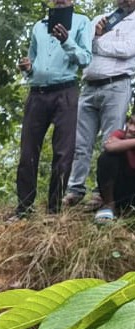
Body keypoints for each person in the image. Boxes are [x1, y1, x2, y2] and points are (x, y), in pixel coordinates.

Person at [11, 0, 92, 219]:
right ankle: (24, 208)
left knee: (63, 152)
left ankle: (54, 209)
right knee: (28, 151)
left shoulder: (82, 22)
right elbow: (34, 61)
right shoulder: (39, 26)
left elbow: (85, 58)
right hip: (37, 93)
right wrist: (28, 68)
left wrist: (67, 40)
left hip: (66, 92)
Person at [63, 0, 135, 209]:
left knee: (110, 143)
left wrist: (96, 43)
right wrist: (94, 36)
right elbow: (83, 51)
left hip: (117, 84)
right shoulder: (99, 20)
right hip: (89, 86)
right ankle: (74, 190)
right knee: (80, 143)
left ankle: (101, 194)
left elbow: (127, 50)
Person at [93, 111, 135, 220]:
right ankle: (109, 205)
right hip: (118, 190)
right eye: (131, 123)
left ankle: (129, 210)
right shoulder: (120, 134)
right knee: (107, 157)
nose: (131, 128)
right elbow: (110, 147)